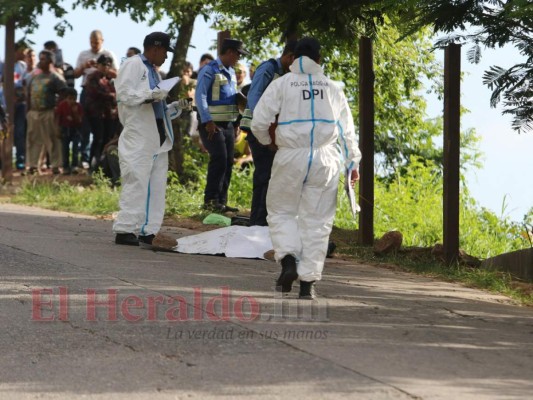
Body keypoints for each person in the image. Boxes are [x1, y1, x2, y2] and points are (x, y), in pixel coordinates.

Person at [251, 37, 361, 300]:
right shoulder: (334, 88)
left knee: (281, 212)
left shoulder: (282, 84)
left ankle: (288, 259)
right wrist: (353, 164)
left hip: (290, 155)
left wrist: (269, 143)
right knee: (318, 222)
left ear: (293, 57)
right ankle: (308, 284)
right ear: (319, 59)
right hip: (326, 159)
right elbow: (347, 131)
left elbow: (258, 122)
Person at [112, 32, 190, 247]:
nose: (166, 57)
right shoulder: (134, 64)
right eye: (165, 51)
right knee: (136, 180)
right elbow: (124, 95)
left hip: (156, 134)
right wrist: (151, 94)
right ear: (155, 48)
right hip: (138, 133)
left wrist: (176, 107)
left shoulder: (154, 72)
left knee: (155, 185)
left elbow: (156, 107)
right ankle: (126, 229)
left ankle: (148, 230)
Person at [240, 40, 297, 226]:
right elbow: (254, 96)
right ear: (289, 57)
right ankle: (257, 220)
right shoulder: (268, 69)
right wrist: (262, 124)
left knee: (269, 174)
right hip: (258, 129)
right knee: (264, 173)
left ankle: (261, 218)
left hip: (270, 131)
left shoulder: (285, 74)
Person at [195, 38, 250, 213]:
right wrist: (208, 121)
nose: (239, 59)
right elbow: (200, 96)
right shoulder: (209, 70)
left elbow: (233, 98)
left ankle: (221, 201)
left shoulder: (231, 72)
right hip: (211, 125)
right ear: (230, 52)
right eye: (238, 55)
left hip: (227, 125)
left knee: (227, 161)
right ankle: (210, 201)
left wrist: (236, 123)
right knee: (218, 159)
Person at [74, 30, 119, 169]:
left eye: (96, 42)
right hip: (90, 96)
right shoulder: (83, 55)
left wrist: (104, 70)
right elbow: (75, 74)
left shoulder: (109, 55)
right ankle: (86, 160)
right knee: (86, 128)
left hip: (106, 105)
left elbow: (117, 74)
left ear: (102, 41)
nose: (94, 45)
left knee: (105, 135)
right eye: (92, 42)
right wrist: (85, 67)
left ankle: (101, 163)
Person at [26, 50, 67, 175]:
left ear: (50, 61)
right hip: (34, 112)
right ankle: (33, 165)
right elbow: (28, 93)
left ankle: (56, 165)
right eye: (40, 58)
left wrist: (57, 109)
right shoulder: (35, 77)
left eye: (43, 59)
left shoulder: (56, 78)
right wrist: (28, 111)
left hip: (49, 112)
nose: (40, 61)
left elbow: (64, 93)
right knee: (33, 139)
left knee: (53, 139)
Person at [84, 54, 118, 169]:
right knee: (98, 138)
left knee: (107, 139)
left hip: (108, 115)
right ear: (97, 65)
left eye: (108, 65)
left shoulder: (108, 80)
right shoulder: (92, 77)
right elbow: (95, 93)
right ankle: (92, 164)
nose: (106, 67)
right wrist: (112, 96)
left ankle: (102, 165)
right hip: (95, 113)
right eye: (103, 64)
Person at [55, 87, 83, 174]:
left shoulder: (78, 106)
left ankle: (74, 166)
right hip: (65, 129)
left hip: (75, 129)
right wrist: (57, 130)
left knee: (75, 148)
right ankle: (66, 167)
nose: (72, 101)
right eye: (70, 99)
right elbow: (57, 118)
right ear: (66, 98)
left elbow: (80, 121)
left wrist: (75, 113)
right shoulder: (62, 105)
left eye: (74, 99)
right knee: (65, 149)